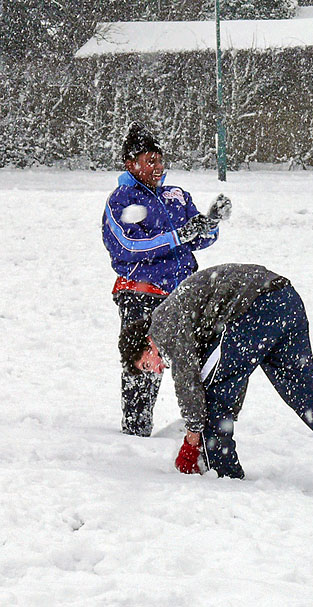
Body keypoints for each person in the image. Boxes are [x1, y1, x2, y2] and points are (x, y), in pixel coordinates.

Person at [118, 263, 313, 500]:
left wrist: (193, 437)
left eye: (147, 363)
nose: (155, 370)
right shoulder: (184, 320)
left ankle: (223, 481)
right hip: (284, 300)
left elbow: (187, 380)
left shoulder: (163, 323)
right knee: (308, 397)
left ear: (146, 342)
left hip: (256, 307)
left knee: (206, 392)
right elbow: (231, 367)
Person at [102, 122, 232, 437]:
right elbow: (127, 246)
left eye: (160, 160)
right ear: (130, 164)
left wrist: (211, 222)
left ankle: (201, 428)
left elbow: (198, 240)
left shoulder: (177, 195)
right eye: (150, 161)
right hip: (141, 294)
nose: (158, 167)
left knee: (196, 360)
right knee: (143, 365)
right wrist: (177, 236)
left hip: (182, 296)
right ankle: (135, 432)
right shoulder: (121, 200)